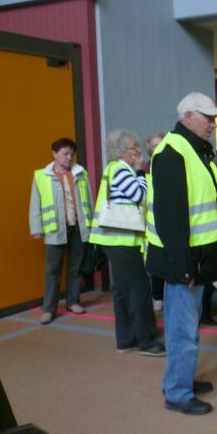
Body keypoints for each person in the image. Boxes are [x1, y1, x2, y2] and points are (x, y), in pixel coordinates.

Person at [146, 92, 217, 415]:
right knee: (182, 331)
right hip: (183, 263)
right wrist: (183, 267)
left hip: (198, 259)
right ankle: (178, 393)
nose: (213, 123)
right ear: (187, 115)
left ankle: (182, 379)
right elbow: (170, 218)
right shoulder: (172, 152)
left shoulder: (196, 149)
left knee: (189, 327)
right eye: (208, 117)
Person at [88, 130, 164, 356]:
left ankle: (126, 339)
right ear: (121, 151)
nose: (138, 152)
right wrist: (141, 171)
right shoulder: (120, 169)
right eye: (134, 148)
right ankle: (146, 341)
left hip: (115, 239)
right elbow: (140, 196)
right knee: (139, 289)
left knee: (122, 291)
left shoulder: (114, 169)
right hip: (121, 240)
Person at [29, 137, 93, 324]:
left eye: (72, 154)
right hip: (55, 229)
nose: (69, 157)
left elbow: (89, 200)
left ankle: (73, 301)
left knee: (75, 268)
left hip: (78, 227)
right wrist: (36, 228)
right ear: (54, 154)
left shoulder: (81, 174)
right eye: (65, 153)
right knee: (52, 270)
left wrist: (93, 226)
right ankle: (49, 309)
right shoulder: (41, 176)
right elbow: (35, 204)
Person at [144, 132, 166, 312]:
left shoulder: (172, 164)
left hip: (168, 220)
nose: (158, 148)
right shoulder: (145, 170)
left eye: (160, 143)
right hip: (151, 224)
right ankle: (157, 296)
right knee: (157, 264)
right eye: (154, 146)